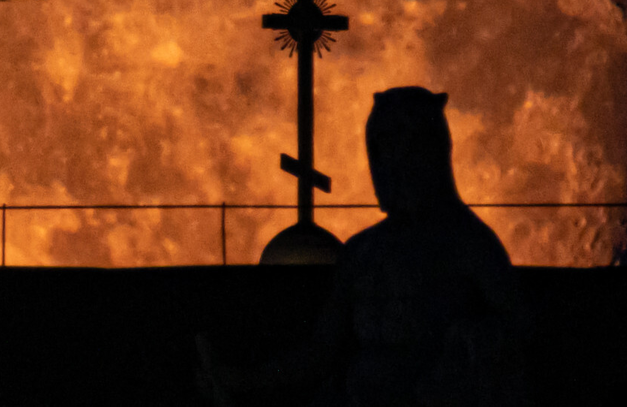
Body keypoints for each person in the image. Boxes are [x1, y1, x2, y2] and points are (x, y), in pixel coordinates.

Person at [198, 86, 529, 406]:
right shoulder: (363, 251)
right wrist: (244, 381)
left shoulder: (469, 244)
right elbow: (321, 350)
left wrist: (463, 359)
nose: (390, 163)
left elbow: (514, 334)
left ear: (430, 152)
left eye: (403, 146)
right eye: (381, 147)